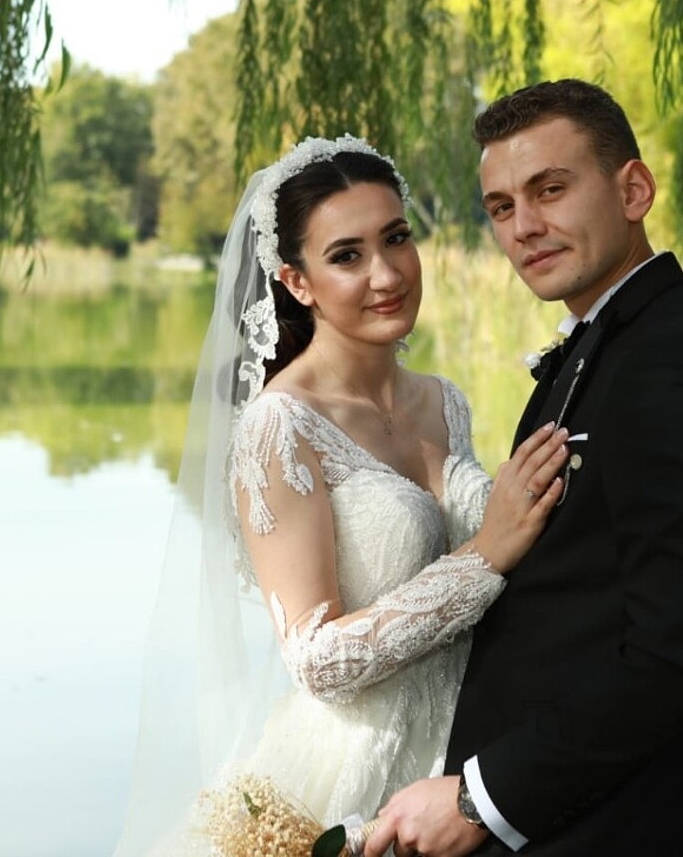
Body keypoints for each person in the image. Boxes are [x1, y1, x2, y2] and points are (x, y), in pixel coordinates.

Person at [111, 135, 569, 857]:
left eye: (396, 238)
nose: (386, 274)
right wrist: (485, 556)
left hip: (475, 756)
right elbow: (316, 659)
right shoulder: (279, 426)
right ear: (297, 282)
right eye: (347, 256)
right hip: (354, 778)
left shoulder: (444, 401)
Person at [365, 79, 683, 857]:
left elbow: (671, 649)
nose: (524, 227)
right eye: (501, 207)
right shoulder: (598, 343)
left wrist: (481, 799)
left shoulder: (665, 355)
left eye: (550, 189)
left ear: (633, 190)